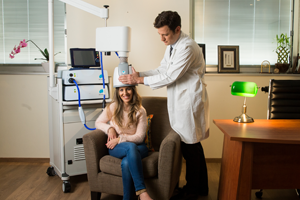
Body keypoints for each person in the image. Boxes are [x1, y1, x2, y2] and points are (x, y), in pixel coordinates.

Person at [118, 11, 209, 200]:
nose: (161, 39)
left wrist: (140, 80)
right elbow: (162, 69)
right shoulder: (172, 45)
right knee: (192, 146)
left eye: (165, 34)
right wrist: (138, 75)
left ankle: (193, 191)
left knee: (190, 147)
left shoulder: (187, 47)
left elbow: (169, 76)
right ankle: (201, 187)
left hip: (189, 101)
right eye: (159, 34)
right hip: (181, 100)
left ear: (177, 29)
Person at [95, 86, 153, 200]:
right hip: (118, 147)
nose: (125, 93)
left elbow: (140, 137)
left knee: (127, 162)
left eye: (128, 89)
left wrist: (119, 139)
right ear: (118, 92)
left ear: (133, 91)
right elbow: (98, 122)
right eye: (121, 90)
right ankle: (142, 192)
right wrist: (110, 128)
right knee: (130, 147)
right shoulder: (113, 107)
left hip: (138, 147)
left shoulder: (140, 110)